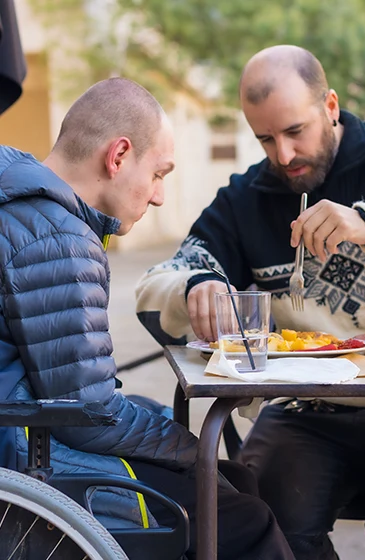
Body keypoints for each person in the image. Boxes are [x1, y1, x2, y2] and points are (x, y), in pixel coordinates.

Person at [134, 45, 365, 557]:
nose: (283, 155)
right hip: (306, 410)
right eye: (265, 138)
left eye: (295, 131)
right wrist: (196, 288)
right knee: (256, 526)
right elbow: (156, 283)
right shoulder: (243, 200)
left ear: (332, 107)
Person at [0, 77, 291, 559]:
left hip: (26, 430)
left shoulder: (22, 201)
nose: (158, 195)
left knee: (232, 477)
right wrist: (186, 446)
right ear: (117, 157)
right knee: (245, 520)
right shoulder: (56, 239)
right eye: (159, 174)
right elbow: (87, 416)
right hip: (28, 460)